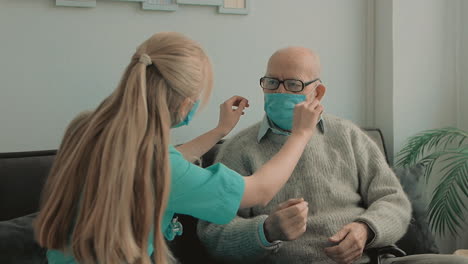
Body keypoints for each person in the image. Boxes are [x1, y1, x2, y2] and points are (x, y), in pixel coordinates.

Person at [34, 33, 322, 264]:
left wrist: (218, 131)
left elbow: (156, 166)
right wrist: (301, 134)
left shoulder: (88, 126)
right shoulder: (162, 168)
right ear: (186, 102)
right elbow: (259, 190)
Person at [197, 47, 468, 264]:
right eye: (271, 82)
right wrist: (265, 231)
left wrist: (366, 229)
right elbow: (213, 233)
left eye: (292, 84)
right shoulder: (237, 149)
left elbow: (394, 201)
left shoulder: (348, 136)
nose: (279, 92)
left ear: (318, 92)